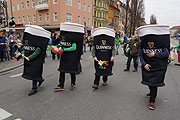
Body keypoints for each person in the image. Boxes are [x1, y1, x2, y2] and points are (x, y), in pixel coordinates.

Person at [137, 25, 170, 110]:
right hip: (147, 66)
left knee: (154, 84)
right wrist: (144, 64)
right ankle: (151, 92)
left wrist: (155, 54)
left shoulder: (162, 44)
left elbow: (166, 54)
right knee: (148, 82)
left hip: (158, 67)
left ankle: (152, 101)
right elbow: (141, 54)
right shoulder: (143, 44)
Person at [21, 25, 51, 96]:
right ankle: (40, 79)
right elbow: (25, 47)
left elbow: (38, 51)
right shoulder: (28, 40)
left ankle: (34, 88)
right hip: (28, 58)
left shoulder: (37, 41)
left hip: (36, 60)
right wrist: (23, 54)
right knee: (31, 72)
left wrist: (29, 57)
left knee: (34, 73)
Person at [54, 22, 84, 91]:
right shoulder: (63, 38)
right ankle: (61, 85)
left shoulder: (73, 38)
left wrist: (64, 49)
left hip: (71, 57)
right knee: (62, 71)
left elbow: (74, 47)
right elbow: (61, 44)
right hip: (64, 57)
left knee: (72, 71)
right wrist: (57, 47)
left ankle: (73, 83)